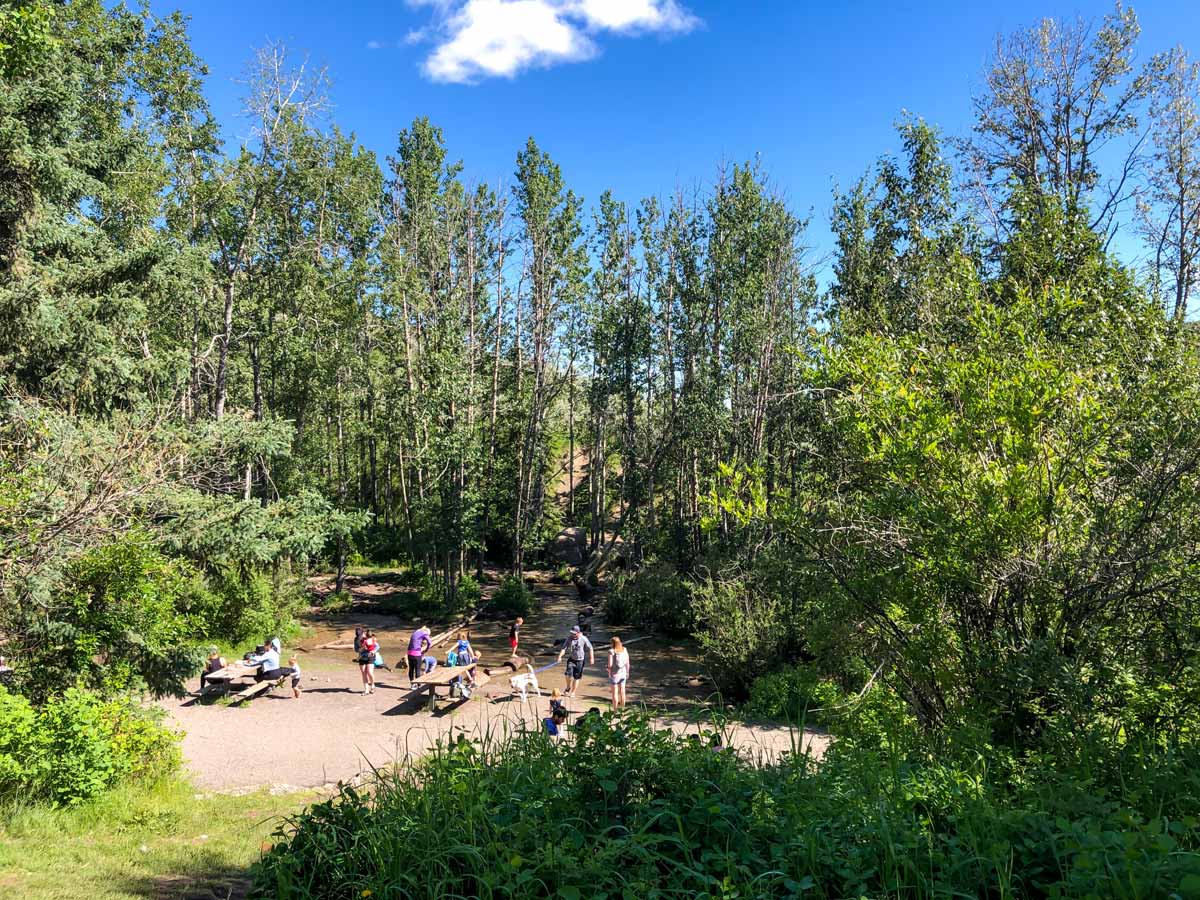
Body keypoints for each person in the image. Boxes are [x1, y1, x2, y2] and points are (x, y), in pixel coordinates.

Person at [556, 624, 594, 698]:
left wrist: (591, 658)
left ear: (578, 632)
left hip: (580, 661)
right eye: (571, 633)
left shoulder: (584, 638)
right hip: (571, 659)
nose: (572, 634)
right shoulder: (569, 638)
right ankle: (568, 687)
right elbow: (564, 648)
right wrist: (559, 656)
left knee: (577, 677)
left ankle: (573, 692)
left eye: (573, 633)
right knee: (568, 674)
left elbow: (590, 648)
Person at [607, 636, 630, 709]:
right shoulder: (624, 649)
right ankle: (622, 710)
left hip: (614, 675)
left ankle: (615, 711)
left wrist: (609, 672)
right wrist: (627, 672)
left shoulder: (611, 651)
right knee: (622, 692)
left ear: (612, 643)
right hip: (623, 673)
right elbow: (627, 663)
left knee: (615, 694)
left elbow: (610, 665)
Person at [359, 630, 379, 694]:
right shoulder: (362, 640)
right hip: (362, 657)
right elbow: (358, 649)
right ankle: (366, 690)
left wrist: (373, 651)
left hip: (370, 657)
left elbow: (377, 646)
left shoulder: (373, 640)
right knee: (364, 673)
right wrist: (363, 647)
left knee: (370, 672)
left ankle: (373, 685)